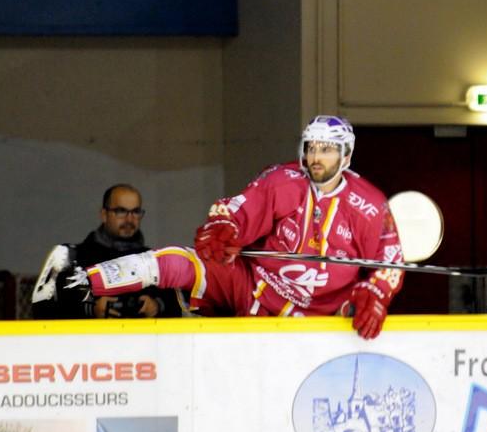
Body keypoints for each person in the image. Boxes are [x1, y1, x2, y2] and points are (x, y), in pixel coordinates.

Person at [68, 115, 405, 338]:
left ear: (346, 155)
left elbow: (390, 262)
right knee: (178, 261)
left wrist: (376, 293)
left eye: (327, 150)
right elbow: (237, 211)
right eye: (311, 148)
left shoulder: (370, 205)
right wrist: (223, 228)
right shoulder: (281, 179)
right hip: (254, 287)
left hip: (321, 318)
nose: (316, 157)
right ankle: (81, 282)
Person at [31, 184, 183, 318]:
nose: (130, 219)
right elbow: (41, 311)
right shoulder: (70, 257)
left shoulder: (155, 262)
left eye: (136, 212)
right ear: (104, 214)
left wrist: (157, 307)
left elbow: (177, 311)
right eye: (121, 211)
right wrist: (91, 309)